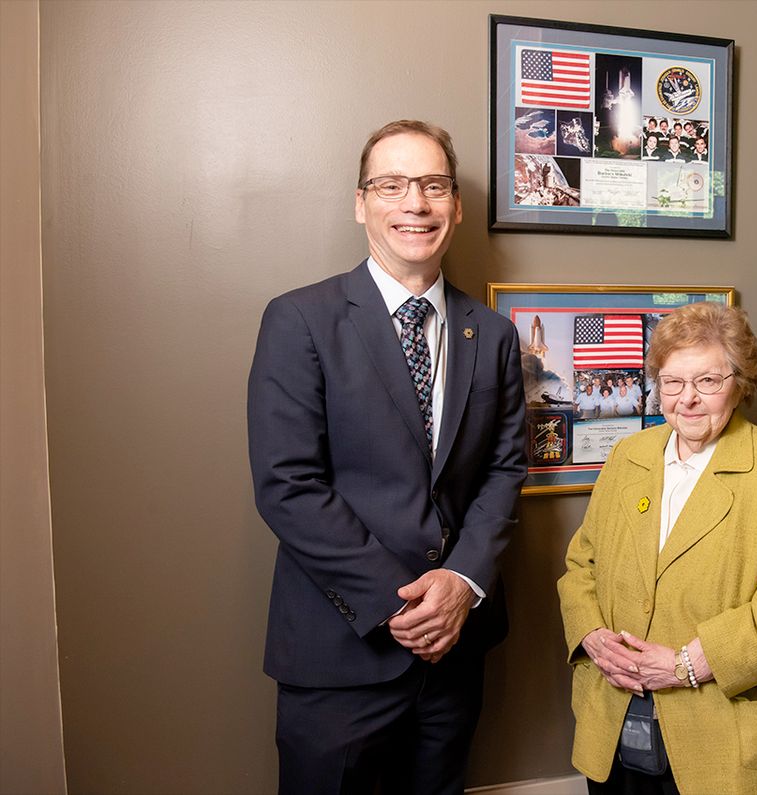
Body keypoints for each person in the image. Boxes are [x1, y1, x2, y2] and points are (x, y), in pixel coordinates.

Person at [248, 119, 528, 795]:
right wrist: (395, 604)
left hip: (455, 652)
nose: (415, 204)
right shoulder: (301, 320)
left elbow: (503, 470)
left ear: (456, 206)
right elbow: (288, 485)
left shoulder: (491, 334)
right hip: (342, 654)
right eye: (392, 184)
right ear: (360, 201)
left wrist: (461, 582)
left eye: (433, 185)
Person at [558, 302, 757, 795]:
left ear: (741, 382)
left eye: (707, 381)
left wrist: (685, 665)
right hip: (620, 714)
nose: (687, 399)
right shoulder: (628, 455)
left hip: (726, 730)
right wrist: (593, 636)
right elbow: (583, 562)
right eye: (671, 382)